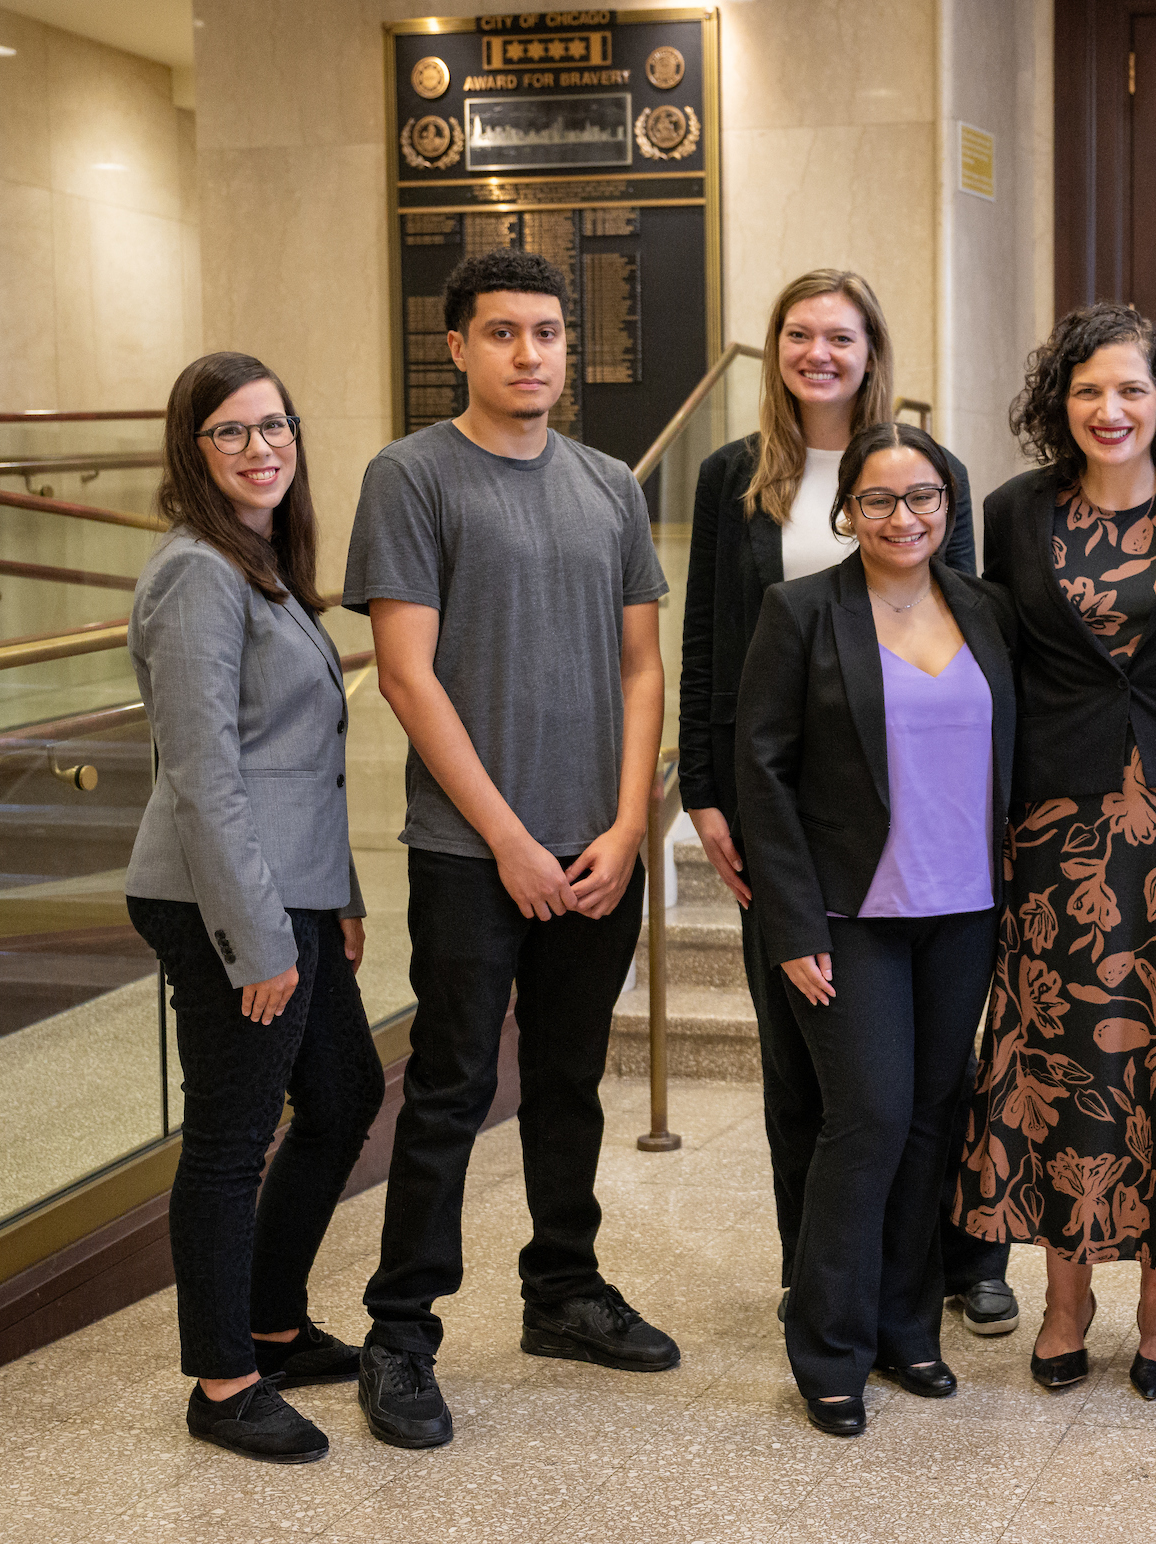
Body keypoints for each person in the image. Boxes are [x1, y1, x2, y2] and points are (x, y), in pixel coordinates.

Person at [345, 249, 677, 1450]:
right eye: (503, 333)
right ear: (458, 348)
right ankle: (400, 1331)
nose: (530, 353)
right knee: (449, 1088)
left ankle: (563, 1290)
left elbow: (643, 667)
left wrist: (630, 820)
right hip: (468, 851)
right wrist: (507, 840)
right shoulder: (412, 477)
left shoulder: (609, 486)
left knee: (570, 1082)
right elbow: (406, 674)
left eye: (548, 333)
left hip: (596, 846)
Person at [676, 270, 1014, 1335]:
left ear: (874, 350)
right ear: (774, 350)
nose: (819, 353)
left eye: (842, 335)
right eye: (798, 334)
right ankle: (814, 1274)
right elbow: (709, 646)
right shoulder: (736, 476)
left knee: (922, 1080)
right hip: (788, 819)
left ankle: (954, 1264)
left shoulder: (928, 470)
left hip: (928, 824)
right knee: (808, 1066)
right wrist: (705, 790)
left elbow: (965, 635)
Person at [954, 302, 1156, 1398]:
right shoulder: (1011, 509)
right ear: (1061, 403)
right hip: (1057, 823)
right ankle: (1065, 1289)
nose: (1110, 409)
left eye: (1131, 389)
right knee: (1064, 1057)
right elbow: (995, 671)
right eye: (1089, 389)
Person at [734, 422, 1020, 1436]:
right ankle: (829, 1345)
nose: (905, 517)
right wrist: (792, 923)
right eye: (882, 499)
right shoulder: (801, 610)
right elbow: (757, 769)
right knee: (868, 1118)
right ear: (846, 510)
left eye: (925, 497)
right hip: (849, 915)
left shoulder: (987, 610)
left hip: (963, 911)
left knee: (934, 1117)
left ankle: (908, 1328)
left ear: (950, 507)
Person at [124, 351, 384, 1464]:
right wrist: (258, 937)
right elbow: (203, 773)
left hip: (297, 894)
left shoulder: (264, 568)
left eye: (274, 425)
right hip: (223, 900)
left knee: (345, 1092)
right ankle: (224, 1379)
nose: (261, 447)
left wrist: (339, 898)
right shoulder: (197, 572)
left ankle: (272, 1323)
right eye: (230, 432)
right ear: (193, 453)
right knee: (232, 1138)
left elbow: (302, 765)